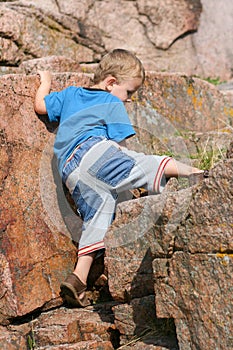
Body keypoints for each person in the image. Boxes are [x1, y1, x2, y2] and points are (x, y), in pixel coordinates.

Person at [34, 48, 204, 307]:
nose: (129, 100)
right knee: (144, 164)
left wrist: (45, 81)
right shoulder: (111, 102)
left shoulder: (69, 94)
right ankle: (197, 174)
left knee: (99, 213)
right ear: (111, 83)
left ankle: (78, 278)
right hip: (94, 151)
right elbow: (121, 148)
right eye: (129, 93)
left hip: (69, 170)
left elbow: (40, 106)